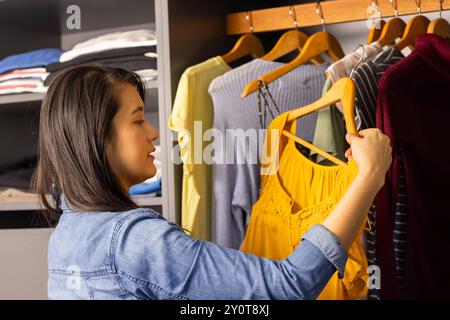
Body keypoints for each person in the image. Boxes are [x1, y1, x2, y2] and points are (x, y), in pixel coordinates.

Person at [33, 65, 391, 300]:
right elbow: (289, 289)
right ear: (98, 137)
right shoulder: (135, 242)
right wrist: (369, 176)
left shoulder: (68, 231)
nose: (155, 133)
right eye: (139, 121)